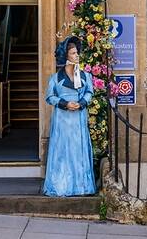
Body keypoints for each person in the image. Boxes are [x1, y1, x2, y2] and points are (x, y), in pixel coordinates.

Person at [42, 36, 96, 196]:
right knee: (63, 150)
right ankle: (61, 185)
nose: (77, 56)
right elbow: (49, 97)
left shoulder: (85, 76)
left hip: (78, 118)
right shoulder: (55, 78)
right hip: (63, 119)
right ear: (66, 56)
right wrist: (65, 103)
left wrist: (81, 102)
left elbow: (89, 92)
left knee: (78, 150)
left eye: (77, 52)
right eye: (73, 53)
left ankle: (81, 186)